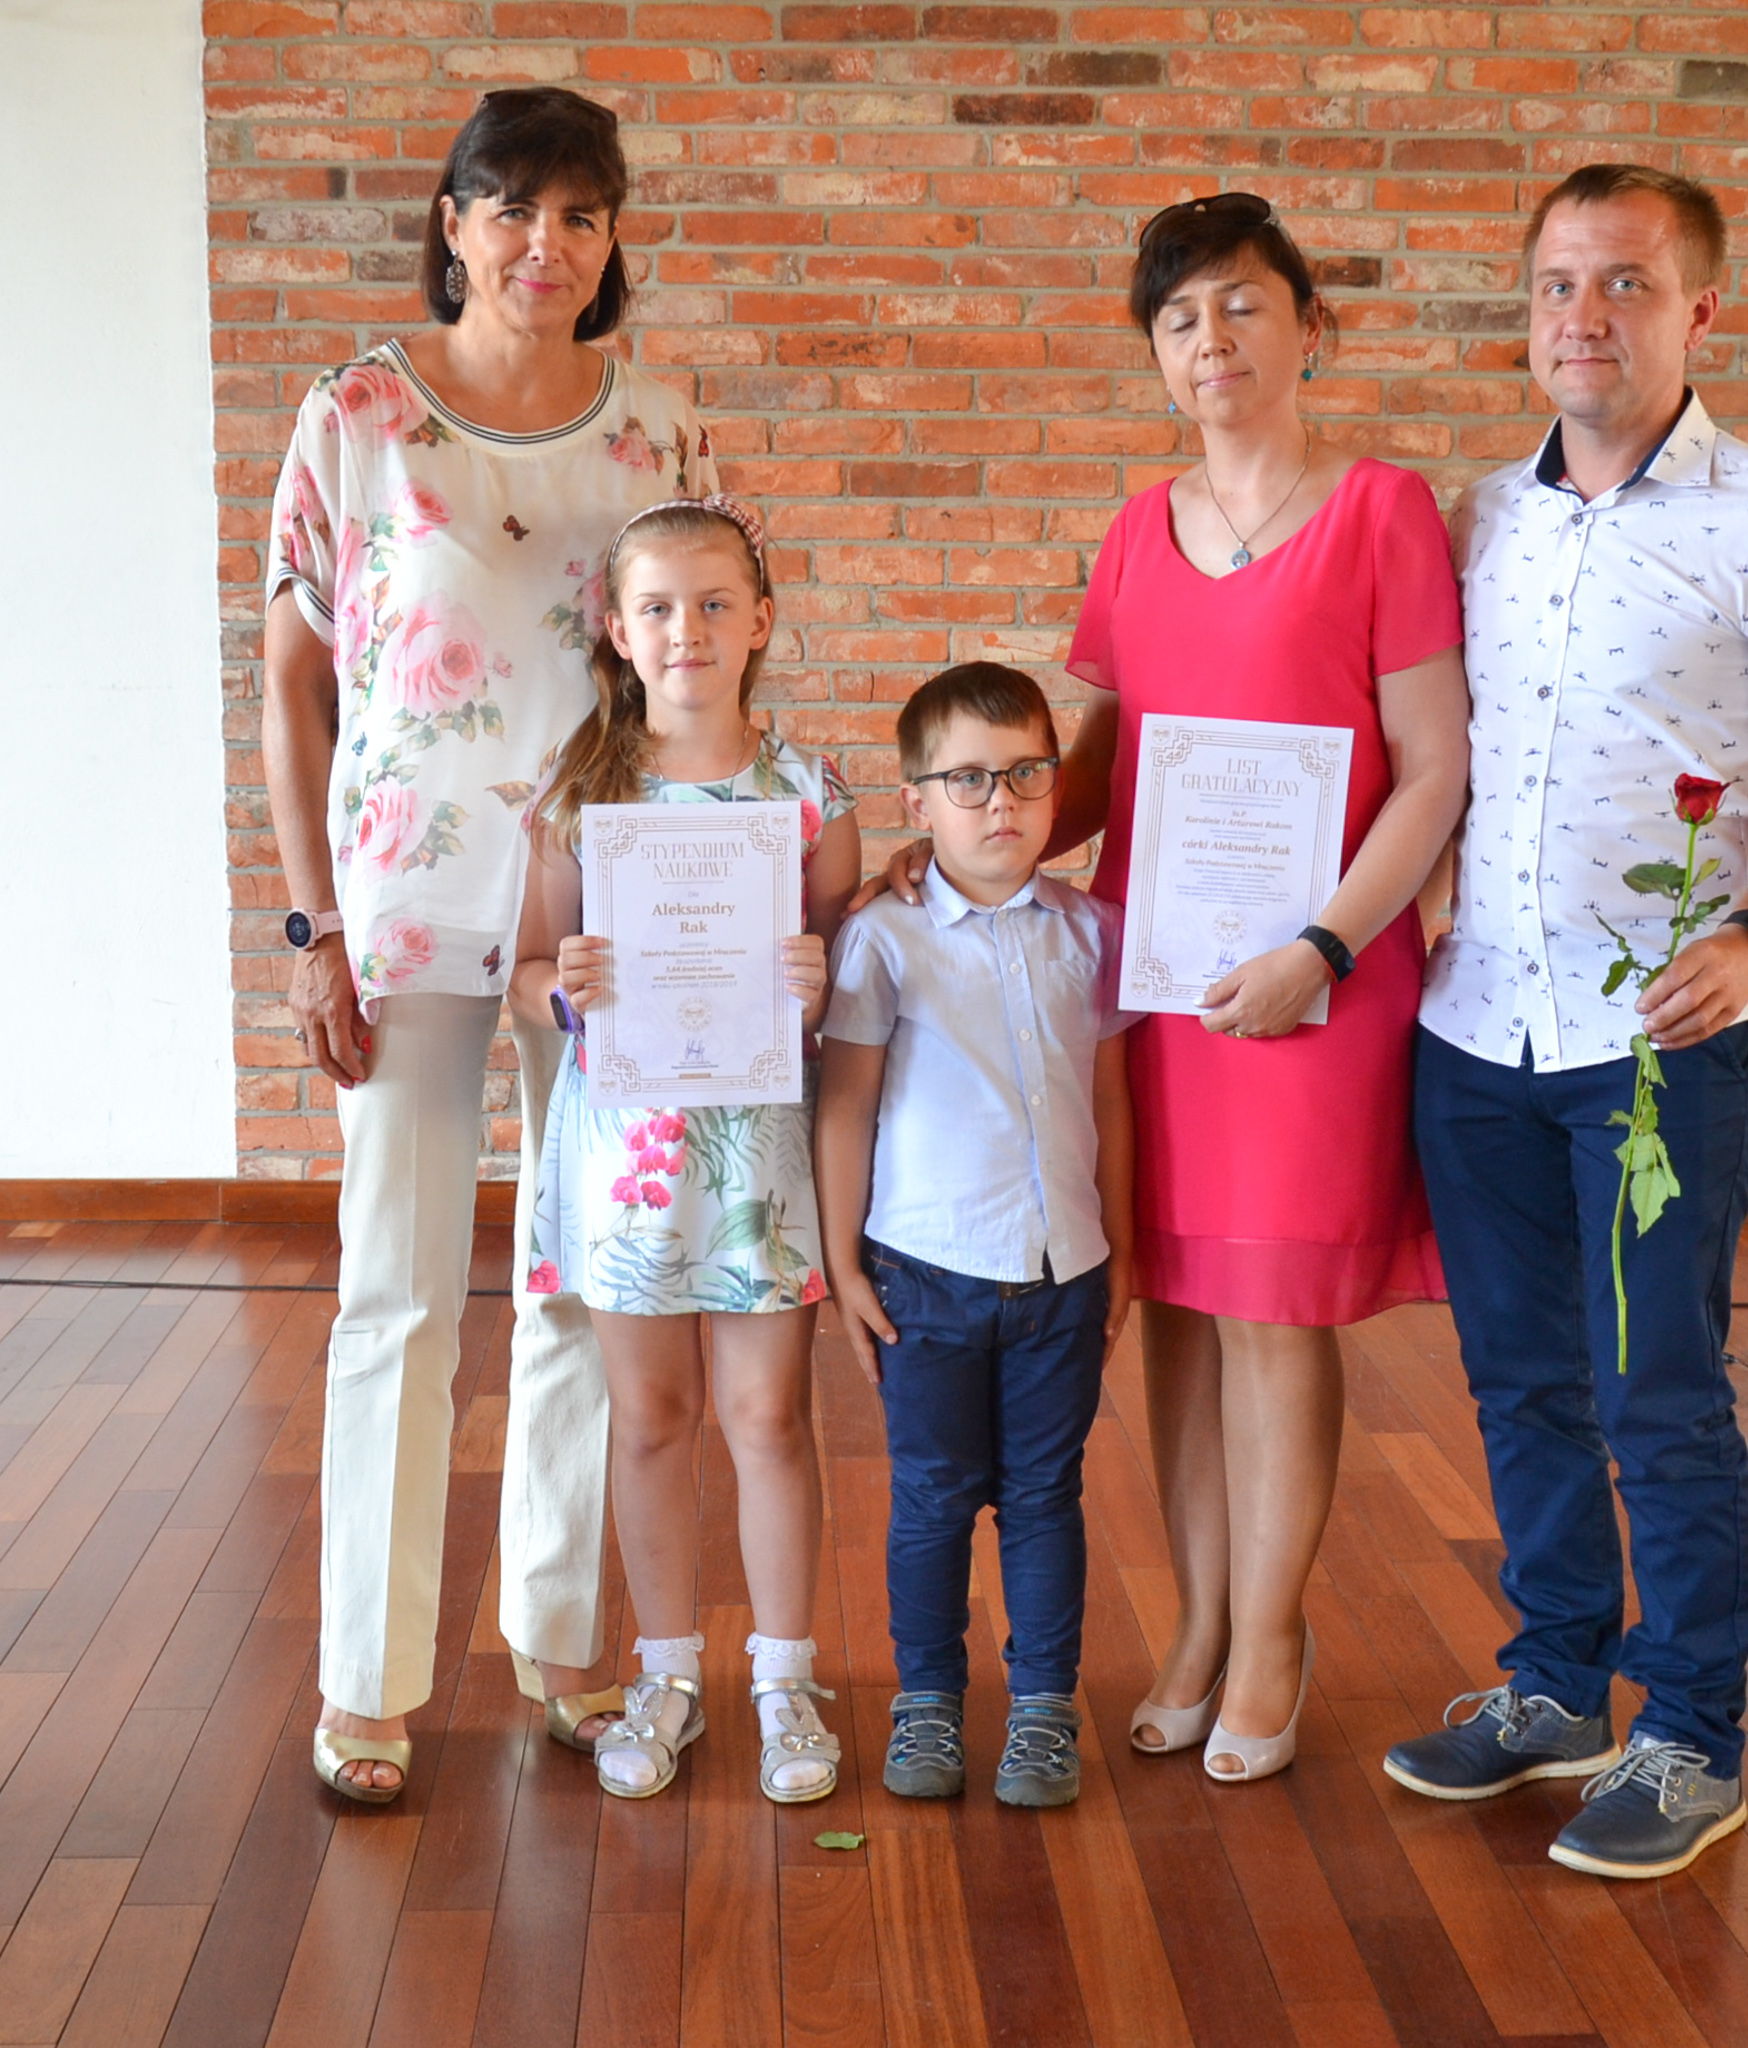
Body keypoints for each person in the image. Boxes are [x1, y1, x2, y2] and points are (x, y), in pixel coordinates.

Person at [872, 195, 1470, 1781]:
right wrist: (945, 847)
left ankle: (1272, 1635)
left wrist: (1321, 949)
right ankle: (1199, 1625)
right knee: (1178, 1314)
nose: (1213, 340)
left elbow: (1433, 772)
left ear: (1310, 328)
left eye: (1243, 305)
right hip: (1158, 984)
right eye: (1180, 317)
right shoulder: (1141, 531)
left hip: (1317, 983)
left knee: (1275, 1316)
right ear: (1157, 353)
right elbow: (1102, 763)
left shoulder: (1385, 512)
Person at [1382, 163, 1748, 1878]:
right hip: (1475, 1030)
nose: (1581, 316)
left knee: (1657, 1392)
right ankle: (1551, 1684)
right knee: (1518, 1382)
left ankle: (1689, 1732)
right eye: (1554, 284)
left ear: (1700, 312)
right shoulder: (1477, 520)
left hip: (1658, 1046)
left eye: (1622, 283)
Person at [263, 87, 720, 1803]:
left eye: (582, 213)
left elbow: (699, 675)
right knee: (393, 1290)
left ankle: (558, 1644)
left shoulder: (660, 429)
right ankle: (367, 1684)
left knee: (581, 1278)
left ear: (612, 240)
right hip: (402, 910)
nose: (547, 242)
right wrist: (311, 924)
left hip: (604, 914)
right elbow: (292, 684)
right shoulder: (359, 414)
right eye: (512, 206)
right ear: (453, 222)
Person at [512, 495, 859, 1801]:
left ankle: (783, 1677)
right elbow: (525, 975)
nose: (687, 629)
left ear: (760, 620)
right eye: (657, 606)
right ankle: (665, 1673)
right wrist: (563, 987)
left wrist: (820, 977)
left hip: (759, 1155)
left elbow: (853, 981)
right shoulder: (582, 793)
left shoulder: (809, 795)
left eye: (715, 603)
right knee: (651, 1418)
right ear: (617, 627)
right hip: (626, 1157)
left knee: (767, 1417)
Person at [815, 662, 1136, 1808]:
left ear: (1054, 783)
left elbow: (1110, 1104)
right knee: (932, 1495)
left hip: (1062, 1273)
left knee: (1045, 1493)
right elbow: (844, 1104)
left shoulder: (1092, 933)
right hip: (924, 1272)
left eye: (1024, 773)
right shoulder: (883, 937)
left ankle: (1043, 1705)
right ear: (917, 799)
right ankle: (927, 1702)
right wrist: (842, 1263)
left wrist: (1120, 1249)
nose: (999, 800)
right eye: (967, 779)